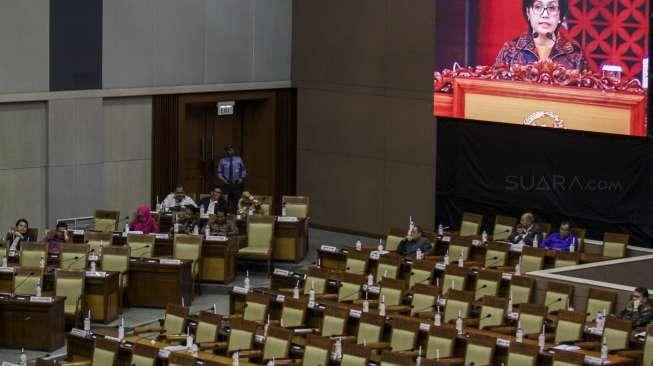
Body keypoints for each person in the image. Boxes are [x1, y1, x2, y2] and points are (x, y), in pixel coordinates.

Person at [494, 0, 589, 71]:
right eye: (538, 7)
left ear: (560, 15)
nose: (545, 14)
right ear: (528, 12)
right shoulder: (511, 49)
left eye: (552, 8)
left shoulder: (574, 53)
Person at [217, 144, 247, 213]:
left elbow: (243, 170)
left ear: (233, 150)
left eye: (231, 150)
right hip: (227, 183)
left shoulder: (239, 159)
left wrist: (241, 178)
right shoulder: (222, 161)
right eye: (228, 150)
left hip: (236, 183)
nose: (229, 152)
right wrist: (223, 179)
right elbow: (219, 172)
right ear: (226, 151)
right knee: (226, 201)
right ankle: (226, 216)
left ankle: (237, 216)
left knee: (237, 202)